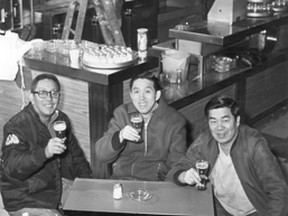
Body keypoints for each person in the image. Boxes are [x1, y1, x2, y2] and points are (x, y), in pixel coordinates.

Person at [166, 95, 288, 216]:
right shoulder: (205, 141)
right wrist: (183, 176)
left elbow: (279, 191)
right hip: (220, 208)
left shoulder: (254, 145)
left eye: (225, 120)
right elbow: (176, 170)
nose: (219, 127)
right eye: (213, 121)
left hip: (254, 211)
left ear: (237, 121)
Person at [0, 74, 92, 216]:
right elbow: (13, 168)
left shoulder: (61, 120)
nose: (49, 99)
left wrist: (88, 184)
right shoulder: (16, 126)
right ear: (32, 97)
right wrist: (45, 152)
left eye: (54, 93)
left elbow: (76, 156)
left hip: (54, 186)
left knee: (94, 205)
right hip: (25, 196)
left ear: (59, 97)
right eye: (42, 93)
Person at [95, 71, 187, 181]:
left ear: (157, 95)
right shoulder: (122, 114)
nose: (141, 98)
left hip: (157, 182)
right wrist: (120, 136)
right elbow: (101, 155)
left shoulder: (174, 120)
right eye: (136, 92)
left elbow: (177, 162)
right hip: (123, 179)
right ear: (131, 95)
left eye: (147, 91)